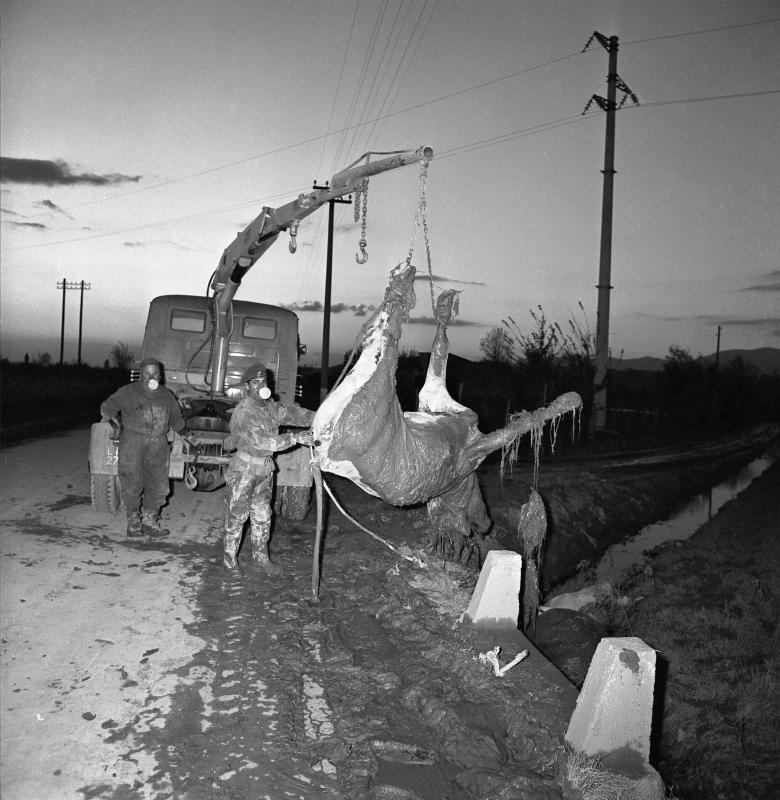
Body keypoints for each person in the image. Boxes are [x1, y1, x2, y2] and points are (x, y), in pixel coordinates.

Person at [223, 362, 314, 572]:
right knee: (237, 518)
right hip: (244, 472)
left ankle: (261, 560)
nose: (260, 386)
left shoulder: (270, 407)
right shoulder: (244, 412)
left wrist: (322, 416)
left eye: (263, 381)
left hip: (264, 471)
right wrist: (296, 437)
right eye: (255, 382)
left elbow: (294, 414)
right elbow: (266, 442)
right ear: (247, 387)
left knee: (263, 517)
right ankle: (230, 564)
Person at [100, 357, 186, 538]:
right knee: (132, 482)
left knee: (159, 484)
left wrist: (188, 434)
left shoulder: (166, 395)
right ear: (140, 375)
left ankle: (150, 522)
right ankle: (133, 524)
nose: (151, 377)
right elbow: (107, 407)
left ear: (160, 375)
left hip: (158, 444)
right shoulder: (128, 392)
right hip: (132, 443)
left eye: (154, 373)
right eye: (147, 373)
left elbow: (177, 420)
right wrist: (117, 425)